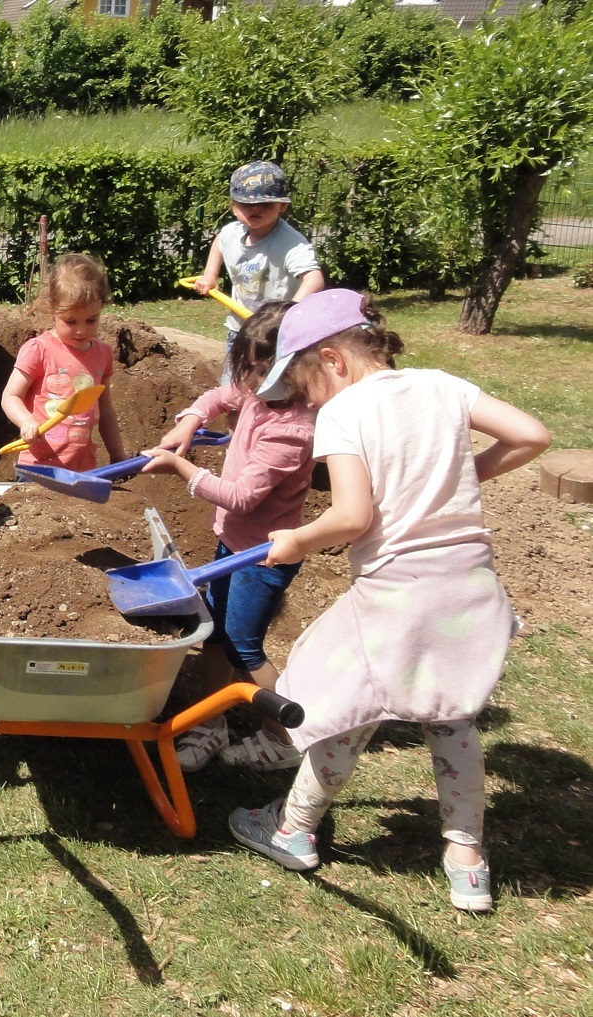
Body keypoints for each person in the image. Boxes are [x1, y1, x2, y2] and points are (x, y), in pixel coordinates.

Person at [225, 289, 550, 913]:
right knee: (451, 715)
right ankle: (467, 863)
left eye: (303, 382)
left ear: (332, 359)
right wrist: (460, 476)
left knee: (347, 703)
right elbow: (532, 435)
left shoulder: (344, 413)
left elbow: (351, 517)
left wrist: (297, 540)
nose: (306, 399)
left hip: (397, 590)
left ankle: (292, 830)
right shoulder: (442, 385)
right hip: (468, 584)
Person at [139, 301, 315, 772]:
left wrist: (182, 467)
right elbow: (222, 395)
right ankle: (210, 723)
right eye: (249, 370)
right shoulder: (262, 392)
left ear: (298, 367)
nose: (251, 383)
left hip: (263, 556)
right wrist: (190, 420)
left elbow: (239, 497)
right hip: (234, 544)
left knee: (244, 646)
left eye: (262, 371)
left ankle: (282, 738)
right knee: (215, 635)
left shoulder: (293, 431)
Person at [194, 161, 325, 381]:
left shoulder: (290, 243)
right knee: (232, 388)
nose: (255, 209)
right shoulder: (232, 232)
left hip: (276, 336)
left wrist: (288, 313)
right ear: (233, 205)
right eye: (246, 204)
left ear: (282, 206)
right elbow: (219, 242)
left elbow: (314, 279)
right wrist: (210, 275)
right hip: (241, 329)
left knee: (274, 390)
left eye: (265, 204)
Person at [0, 253, 127, 471]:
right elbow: (10, 397)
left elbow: (105, 409)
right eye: (70, 321)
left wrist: (117, 453)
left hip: (82, 468)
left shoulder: (102, 354)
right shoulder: (39, 350)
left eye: (91, 320)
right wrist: (27, 422)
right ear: (52, 308)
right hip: (37, 467)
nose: (81, 330)